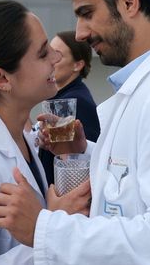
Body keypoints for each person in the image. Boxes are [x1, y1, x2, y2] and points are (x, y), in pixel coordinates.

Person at [0, 0, 150, 265]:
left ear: (128, 2)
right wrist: (86, 151)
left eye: (87, 13)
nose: (79, 33)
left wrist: (44, 227)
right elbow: (138, 179)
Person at [0, 0, 91, 264]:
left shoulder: (23, 138)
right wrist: (52, 229)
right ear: (1, 79)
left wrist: (75, 154)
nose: (56, 58)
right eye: (43, 53)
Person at [39, 30, 100, 185]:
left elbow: (80, 164)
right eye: (48, 53)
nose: (50, 60)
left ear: (78, 65)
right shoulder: (62, 97)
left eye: (58, 55)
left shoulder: (75, 103)